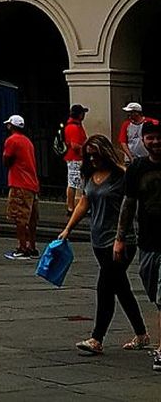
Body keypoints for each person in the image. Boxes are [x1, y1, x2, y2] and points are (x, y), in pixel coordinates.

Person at [58, 134, 150, 356]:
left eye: (96, 155)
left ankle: (97, 338)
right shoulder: (90, 175)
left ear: (105, 153)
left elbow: (133, 203)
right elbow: (84, 202)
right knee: (121, 288)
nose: (93, 160)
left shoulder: (121, 175)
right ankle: (141, 334)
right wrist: (68, 229)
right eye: (89, 156)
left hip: (121, 241)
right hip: (99, 241)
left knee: (105, 287)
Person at [115, 119, 161, 374]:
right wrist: (120, 237)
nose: (155, 142)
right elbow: (128, 204)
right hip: (147, 241)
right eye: (150, 137)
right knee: (153, 290)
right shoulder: (137, 169)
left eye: (158, 137)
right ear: (143, 140)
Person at [2, 114, 40, 260]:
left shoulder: (12, 140)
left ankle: (22, 247)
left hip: (19, 183)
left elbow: (6, 159)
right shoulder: (27, 141)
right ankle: (32, 246)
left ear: (11, 126)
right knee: (31, 218)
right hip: (32, 183)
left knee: (20, 217)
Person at [62, 104, 88, 215]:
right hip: (75, 158)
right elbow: (75, 145)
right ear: (80, 114)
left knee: (76, 182)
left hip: (75, 158)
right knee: (73, 183)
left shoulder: (74, 125)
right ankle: (71, 207)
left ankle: (72, 207)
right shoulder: (74, 127)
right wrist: (86, 150)